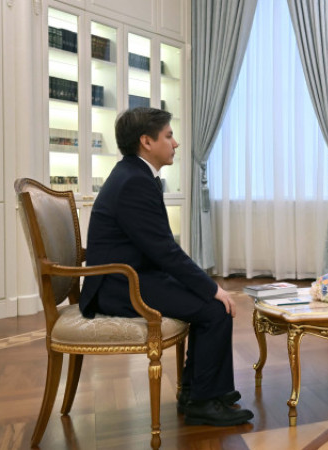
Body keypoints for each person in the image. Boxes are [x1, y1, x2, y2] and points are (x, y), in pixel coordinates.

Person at [79, 107, 253, 426]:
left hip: (130, 277)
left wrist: (202, 285)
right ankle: (202, 401)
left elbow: (160, 249)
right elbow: (164, 250)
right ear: (146, 141)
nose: (175, 143)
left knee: (210, 304)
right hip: (120, 286)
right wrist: (211, 288)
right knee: (215, 308)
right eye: (169, 136)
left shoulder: (134, 174)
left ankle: (200, 390)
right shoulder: (134, 181)